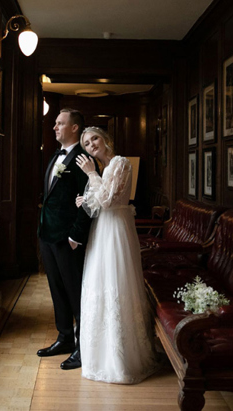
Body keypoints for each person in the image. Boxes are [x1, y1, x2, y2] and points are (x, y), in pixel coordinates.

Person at [74, 127, 159, 384]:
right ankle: (100, 356)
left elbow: (108, 201)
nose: (91, 145)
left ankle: (123, 360)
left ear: (106, 138)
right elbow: (95, 202)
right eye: (87, 144)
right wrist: (85, 200)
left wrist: (90, 175)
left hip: (117, 230)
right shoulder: (101, 170)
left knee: (116, 281)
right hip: (102, 230)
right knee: (99, 282)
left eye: (94, 139)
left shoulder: (120, 163)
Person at [37, 109, 96, 370]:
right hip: (47, 235)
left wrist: (76, 235)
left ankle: (84, 347)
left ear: (74, 128)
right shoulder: (55, 155)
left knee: (75, 292)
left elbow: (91, 199)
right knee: (57, 290)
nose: (54, 127)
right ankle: (64, 337)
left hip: (68, 238)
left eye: (60, 123)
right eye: (55, 123)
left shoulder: (84, 159)